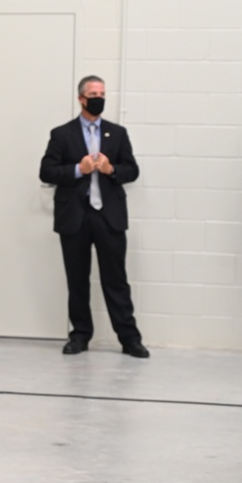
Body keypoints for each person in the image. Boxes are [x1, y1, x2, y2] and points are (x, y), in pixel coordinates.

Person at [39, 75, 149, 358]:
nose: (98, 97)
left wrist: (111, 170)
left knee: (116, 279)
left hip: (109, 217)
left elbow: (132, 170)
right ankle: (80, 336)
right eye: (93, 93)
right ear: (81, 98)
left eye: (102, 92)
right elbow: (47, 171)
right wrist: (79, 169)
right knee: (77, 280)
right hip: (74, 217)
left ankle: (129, 338)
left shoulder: (118, 133)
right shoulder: (62, 134)